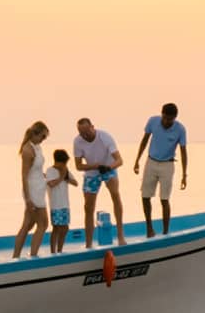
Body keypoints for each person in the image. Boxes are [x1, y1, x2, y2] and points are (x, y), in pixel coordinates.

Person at [133, 101, 188, 237]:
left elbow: (183, 151)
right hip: (151, 162)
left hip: (167, 164)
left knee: (164, 199)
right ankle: (149, 229)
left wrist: (184, 174)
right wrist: (137, 160)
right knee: (145, 196)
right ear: (161, 114)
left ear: (174, 118)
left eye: (169, 119)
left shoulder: (180, 129)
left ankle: (165, 231)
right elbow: (144, 140)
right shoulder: (153, 121)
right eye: (164, 118)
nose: (166, 121)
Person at [73, 117, 125, 249]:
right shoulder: (77, 142)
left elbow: (119, 160)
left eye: (86, 131)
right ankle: (88, 244)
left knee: (115, 195)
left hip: (109, 168)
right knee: (88, 208)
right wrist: (94, 166)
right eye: (81, 133)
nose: (84, 135)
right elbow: (78, 166)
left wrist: (109, 168)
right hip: (92, 172)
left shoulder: (105, 137)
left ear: (92, 127)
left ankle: (120, 236)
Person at [11, 120, 50, 258]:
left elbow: (36, 170)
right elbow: (24, 175)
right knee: (43, 224)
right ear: (35, 133)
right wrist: (28, 198)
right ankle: (33, 255)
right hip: (33, 191)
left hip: (39, 186)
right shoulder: (28, 150)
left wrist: (45, 175)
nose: (43, 140)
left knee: (28, 224)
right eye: (43, 136)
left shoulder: (37, 147)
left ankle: (16, 256)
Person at [44, 148, 78, 254]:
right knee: (56, 228)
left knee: (65, 228)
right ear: (58, 161)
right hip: (56, 205)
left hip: (65, 204)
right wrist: (62, 176)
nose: (64, 165)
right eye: (64, 163)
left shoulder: (65, 171)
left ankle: (60, 250)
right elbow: (51, 184)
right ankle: (53, 251)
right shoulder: (50, 170)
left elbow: (75, 183)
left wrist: (66, 177)